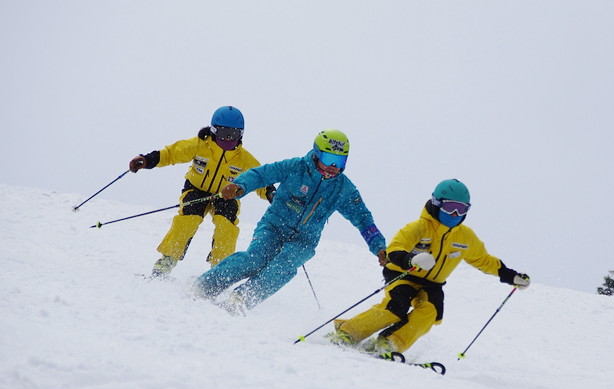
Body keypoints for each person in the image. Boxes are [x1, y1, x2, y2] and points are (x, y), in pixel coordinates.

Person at [191, 129, 387, 313]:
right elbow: (261, 175)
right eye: (329, 159)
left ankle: (241, 300)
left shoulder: (343, 189)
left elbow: (364, 219)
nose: (333, 167)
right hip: (273, 227)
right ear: (316, 154)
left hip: (303, 240)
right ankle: (204, 287)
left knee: (283, 268)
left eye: (340, 161)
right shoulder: (295, 167)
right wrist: (239, 185)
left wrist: (379, 246)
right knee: (255, 260)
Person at [328, 179, 530, 356]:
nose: (455, 213)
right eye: (450, 207)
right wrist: (411, 261)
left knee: (431, 310)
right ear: (436, 203)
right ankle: (348, 332)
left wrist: (510, 276)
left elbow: (483, 260)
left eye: (462, 209)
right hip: (404, 274)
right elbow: (394, 250)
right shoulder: (418, 227)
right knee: (396, 306)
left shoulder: (465, 237)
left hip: (432, 283)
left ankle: (389, 343)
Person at [128, 106, 274, 277]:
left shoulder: (244, 158)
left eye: (233, 134)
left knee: (227, 227)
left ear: (241, 135)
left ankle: (219, 270)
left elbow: (259, 178)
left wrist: (271, 193)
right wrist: (147, 160)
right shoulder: (199, 146)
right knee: (187, 220)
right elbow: (172, 153)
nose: (227, 137)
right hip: (196, 189)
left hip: (225, 195)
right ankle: (166, 261)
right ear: (213, 130)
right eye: (223, 132)